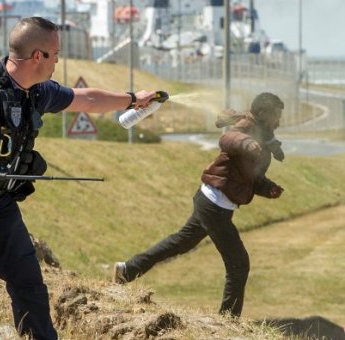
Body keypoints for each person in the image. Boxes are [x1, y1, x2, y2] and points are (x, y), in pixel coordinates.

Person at [0, 16, 158, 340]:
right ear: (38, 56)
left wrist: (131, 98)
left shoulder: (37, 92)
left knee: (28, 281)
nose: (58, 60)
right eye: (55, 54)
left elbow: (87, 99)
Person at [113, 92, 286, 318]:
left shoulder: (260, 134)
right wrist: (251, 144)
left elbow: (248, 176)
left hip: (212, 201)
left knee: (180, 242)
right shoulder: (246, 128)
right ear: (263, 114)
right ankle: (228, 320)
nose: (278, 122)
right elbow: (228, 139)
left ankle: (127, 270)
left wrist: (268, 188)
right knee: (239, 263)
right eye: (276, 117)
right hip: (215, 205)